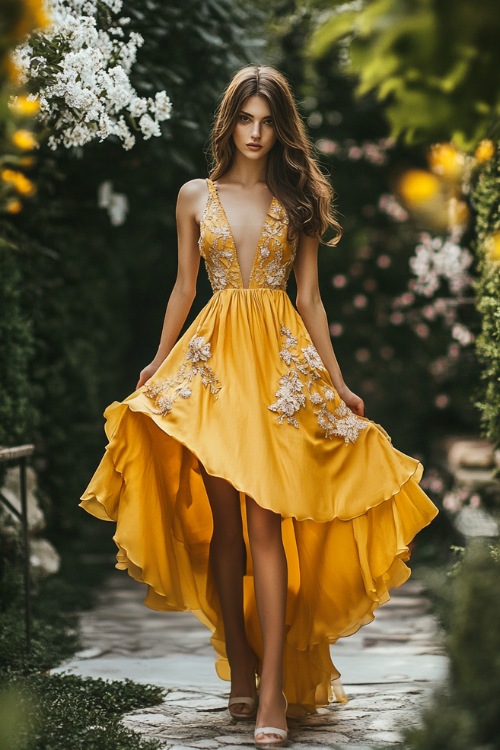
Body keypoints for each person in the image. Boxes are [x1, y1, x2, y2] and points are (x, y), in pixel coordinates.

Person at [80, 64, 438, 749]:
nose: (255, 132)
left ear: (282, 128)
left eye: (267, 120)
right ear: (229, 123)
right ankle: (239, 667)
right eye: (245, 118)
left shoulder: (298, 198)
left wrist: (336, 382)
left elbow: (309, 300)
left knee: (266, 526)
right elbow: (184, 288)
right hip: (213, 368)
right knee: (226, 527)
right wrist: (160, 361)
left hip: (278, 368)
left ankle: (272, 686)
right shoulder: (194, 196)